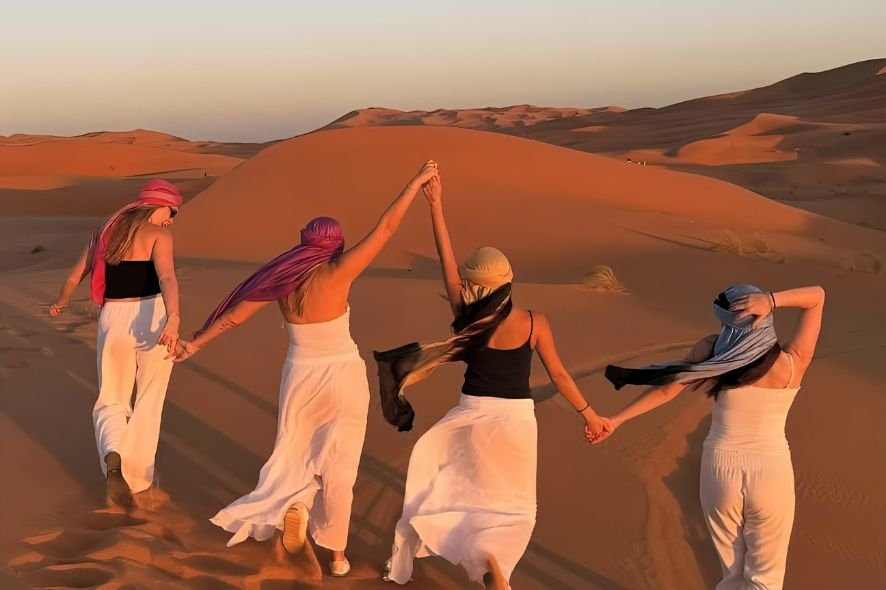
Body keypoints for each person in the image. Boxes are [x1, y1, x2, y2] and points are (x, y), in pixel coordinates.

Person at [174, 161, 439, 578]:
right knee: (341, 463)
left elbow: (234, 317)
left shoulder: (280, 281)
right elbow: (386, 229)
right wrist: (414, 183)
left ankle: (295, 503)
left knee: (295, 449)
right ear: (336, 244)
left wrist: (196, 342)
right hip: (342, 375)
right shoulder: (337, 271)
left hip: (299, 375)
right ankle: (336, 555)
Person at [377, 174, 607, 589]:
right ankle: (496, 566)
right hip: (517, 424)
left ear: (471, 285)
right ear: (508, 281)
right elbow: (559, 374)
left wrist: (436, 206)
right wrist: (590, 416)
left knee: (455, 489)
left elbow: (445, 258)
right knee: (511, 507)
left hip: (471, 415)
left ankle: (482, 562)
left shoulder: (468, 319)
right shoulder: (536, 322)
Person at [595, 284, 825, 590]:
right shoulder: (793, 361)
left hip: (720, 470)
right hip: (772, 472)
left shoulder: (713, 351)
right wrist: (771, 300)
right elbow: (818, 297)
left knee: (731, 576)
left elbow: (667, 388)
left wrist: (616, 419)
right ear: (765, 317)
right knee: (765, 580)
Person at [49, 179, 184, 506]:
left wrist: (60, 303)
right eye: (172, 211)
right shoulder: (159, 235)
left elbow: (73, 276)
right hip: (152, 316)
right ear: (158, 204)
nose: (171, 219)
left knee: (111, 397)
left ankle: (113, 453)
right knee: (150, 397)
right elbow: (166, 277)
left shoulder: (105, 232)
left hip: (113, 318)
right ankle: (138, 484)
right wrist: (175, 318)